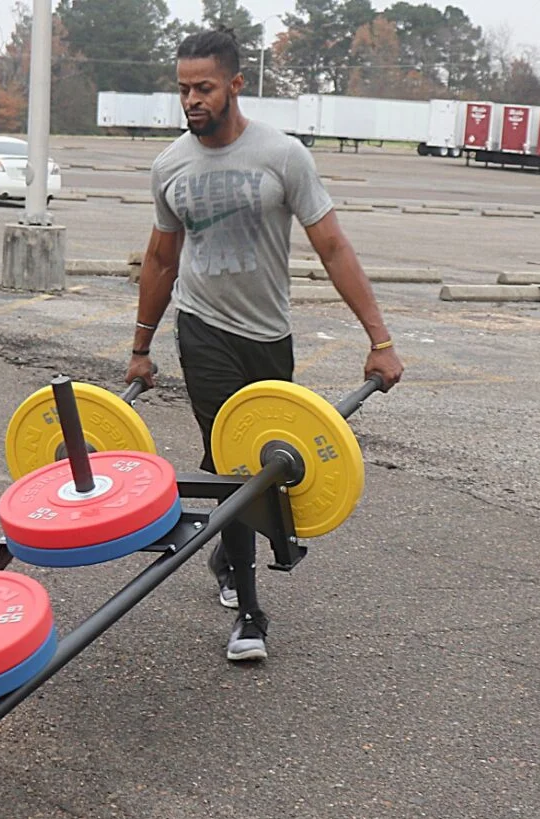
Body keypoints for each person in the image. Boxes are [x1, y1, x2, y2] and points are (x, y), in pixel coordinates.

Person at [125, 27, 403, 662]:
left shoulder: (282, 156)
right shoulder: (170, 166)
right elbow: (162, 259)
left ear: (236, 84)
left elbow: (332, 245)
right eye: (183, 89)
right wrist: (141, 347)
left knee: (256, 466)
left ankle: (227, 550)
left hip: (268, 336)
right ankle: (251, 615)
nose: (191, 100)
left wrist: (379, 339)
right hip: (203, 331)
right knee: (234, 468)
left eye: (204, 88)